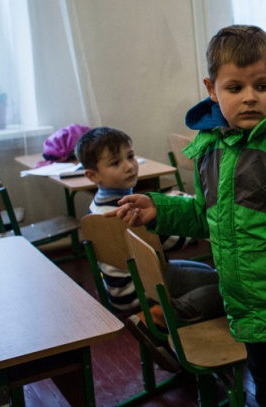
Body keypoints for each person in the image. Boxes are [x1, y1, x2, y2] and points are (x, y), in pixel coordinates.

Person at [109, 25, 266, 407]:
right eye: (234, 89)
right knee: (265, 398)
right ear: (211, 89)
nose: (249, 98)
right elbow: (207, 216)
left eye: (261, 86)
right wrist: (159, 209)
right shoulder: (213, 146)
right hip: (248, 316)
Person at [76, 126, 223, 322]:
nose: (129, 166)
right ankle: (162, 315)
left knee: (207, 272)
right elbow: (176, 242)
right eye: (115, 163)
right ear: (93, 176)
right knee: (225, 289)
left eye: (130, 156)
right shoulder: (124, 215)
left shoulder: (98, 206)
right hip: (138, 288)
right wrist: (198, 218)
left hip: (118, 287)